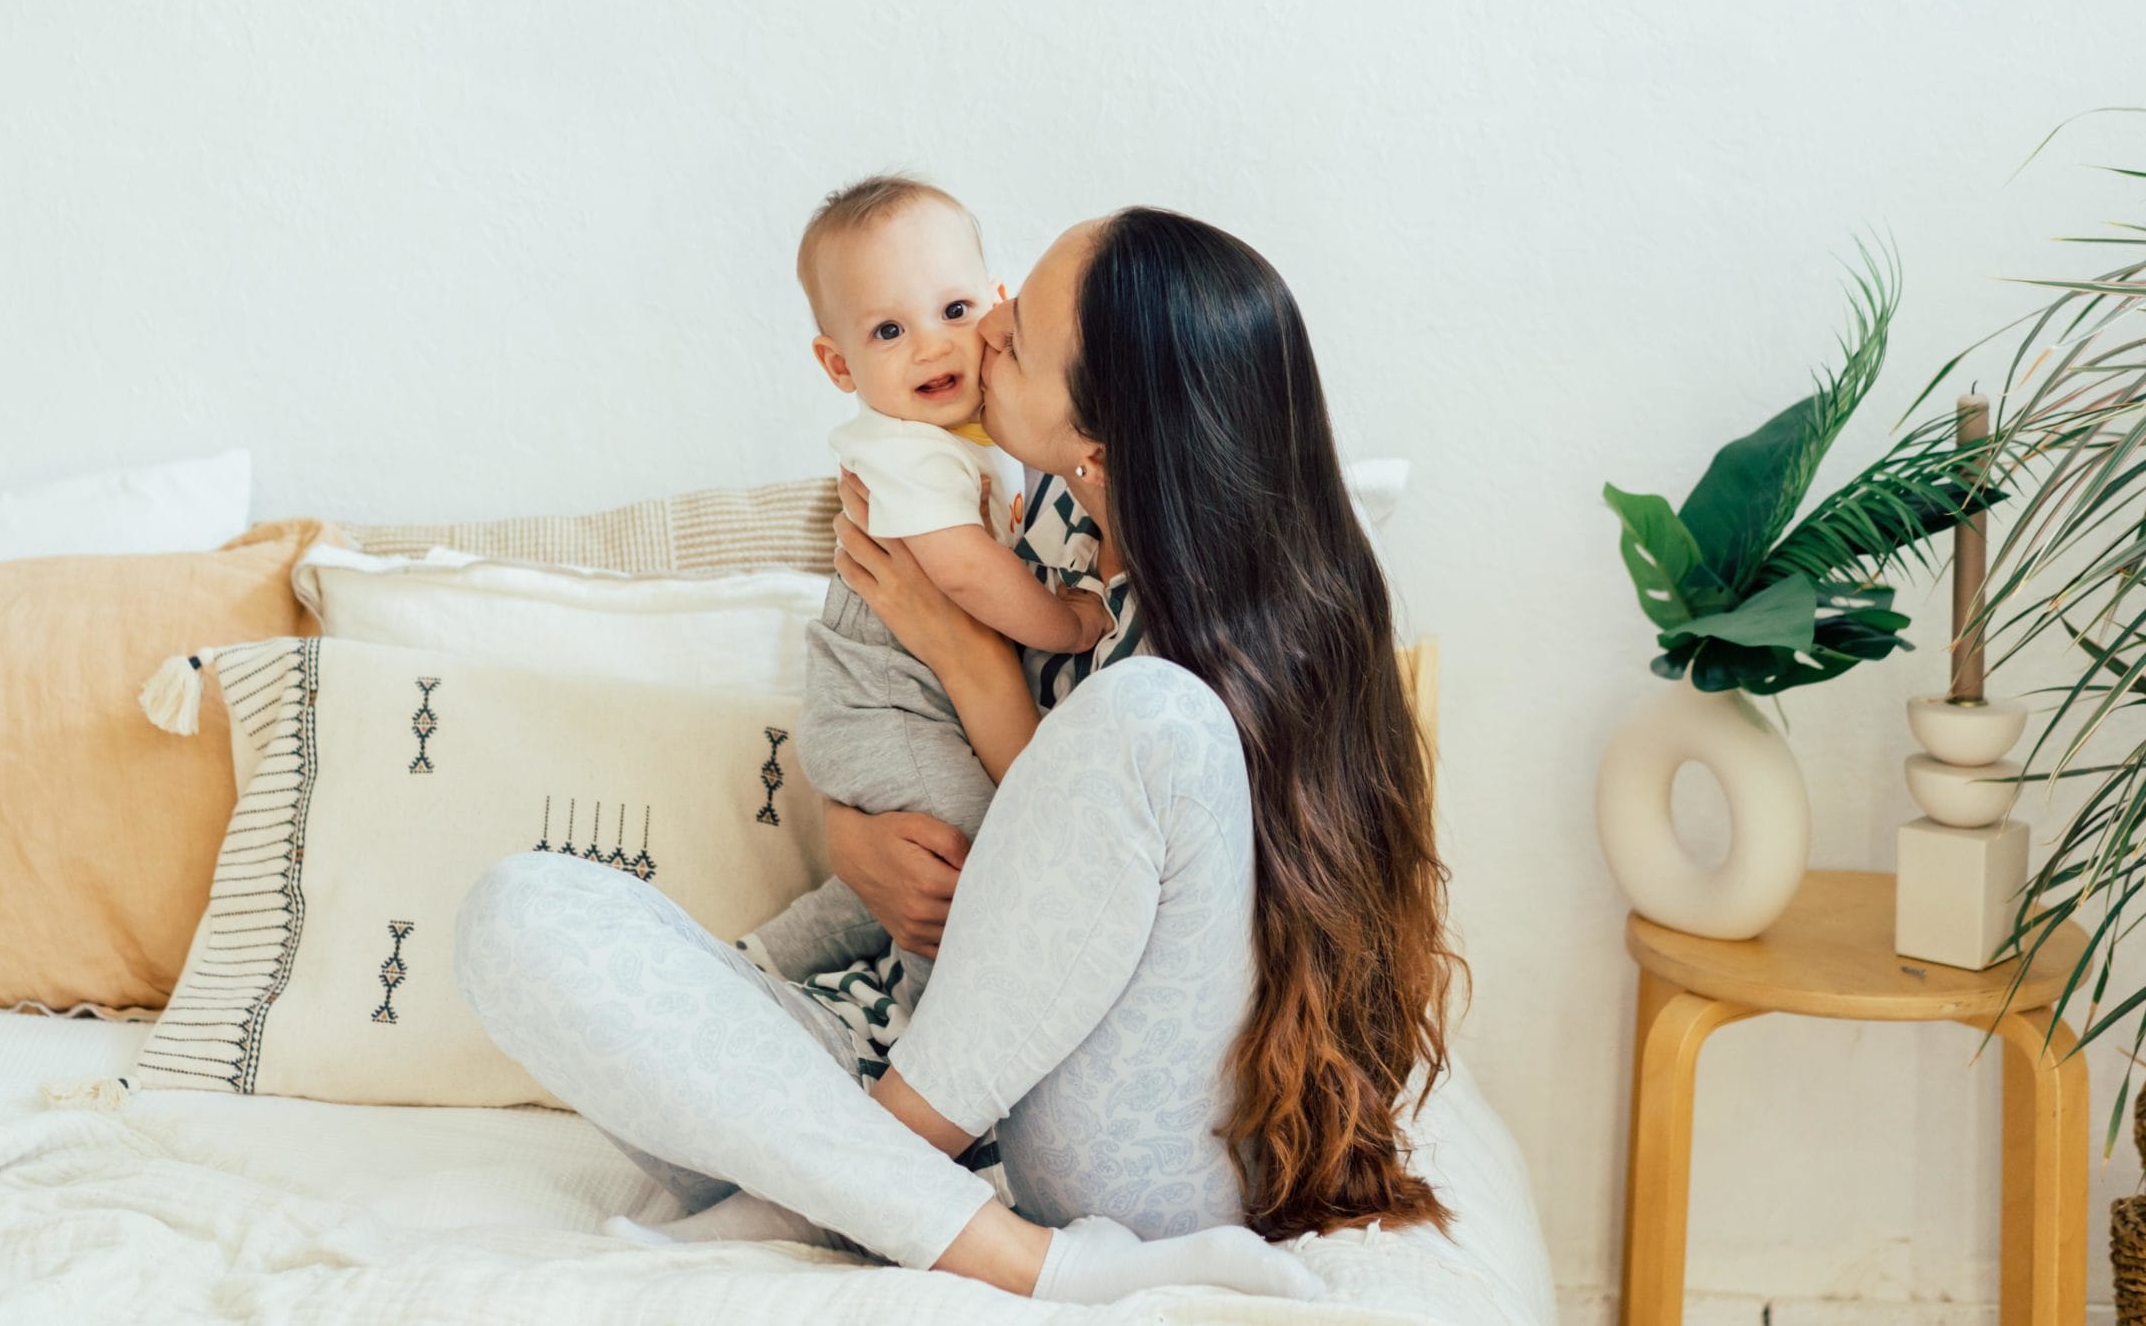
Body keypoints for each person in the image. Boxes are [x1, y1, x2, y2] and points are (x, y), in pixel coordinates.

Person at [457, 208, 1458, 1304]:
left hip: (1119, 1135)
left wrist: (971, 661)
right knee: (518, 913)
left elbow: (1098, 870)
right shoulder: (1021, 532)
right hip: (908, 1038)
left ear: (1106, 437)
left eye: (1013, 333)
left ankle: (854, 1188)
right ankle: (928, 1214)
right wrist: (857, 836)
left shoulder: (1254, 623)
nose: (979, 336)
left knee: (1151, 719)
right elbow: (919, 766)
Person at [743, 175, 1109, 1016]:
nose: (933, 348)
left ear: (997, 306)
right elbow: (965, 571)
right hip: (885, 701)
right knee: (969, 841)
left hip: (918, 698)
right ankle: (926, 1022)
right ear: (840, 364)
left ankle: (768, 956)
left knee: (919, 852)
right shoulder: (905, 450)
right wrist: (1065, 623)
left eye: (954, 311)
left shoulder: (990, 440)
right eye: (887, 330)